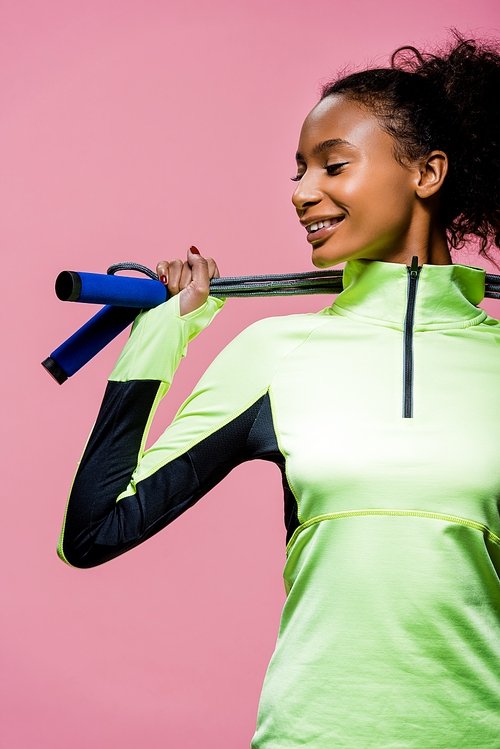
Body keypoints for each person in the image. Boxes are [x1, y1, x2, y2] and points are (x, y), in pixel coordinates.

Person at [58, 31, 500, 748]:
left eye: (333, 165)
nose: (301, 193)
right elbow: (94, 528)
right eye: (298, 170)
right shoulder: (275, 352)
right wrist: (163, 334)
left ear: (428, 173)